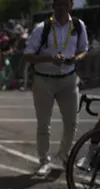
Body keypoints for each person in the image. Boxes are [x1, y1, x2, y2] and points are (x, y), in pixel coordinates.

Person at [24, 0, 89, 177]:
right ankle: (44, 161)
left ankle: (64, 154)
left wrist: (76, 58)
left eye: (65, 4)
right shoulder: (42, 27)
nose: (61, 8)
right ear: (53, 6)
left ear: (71, 5)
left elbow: (84, 49)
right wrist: (50, 58)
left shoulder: (77, 25)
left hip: (68, 79)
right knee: (44, 124)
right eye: (58, 4)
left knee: (72, 122)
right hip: (44, 80)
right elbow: (28, 55)